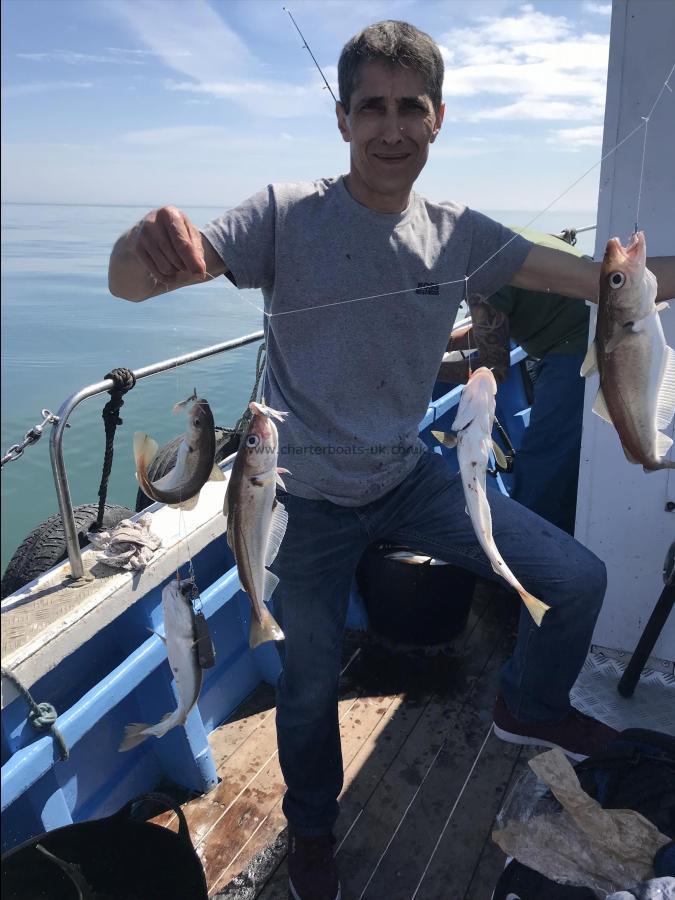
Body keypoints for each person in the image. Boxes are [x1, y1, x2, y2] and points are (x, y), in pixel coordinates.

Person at [108, 21, 675, 900]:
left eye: (410, 107)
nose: (391, 126)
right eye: (371, 106)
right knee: (303, 684)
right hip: (297, 500)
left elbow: (597, 282)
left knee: (579, 579)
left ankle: (528, 702)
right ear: (341, 119)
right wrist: (139, 247)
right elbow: (135, 284)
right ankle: (313, 828)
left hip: (412, 477)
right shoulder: (281, 213)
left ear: (438, 119)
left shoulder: (460, 235)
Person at [438, 227, 592, 534]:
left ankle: (533, 549)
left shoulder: (481, 274)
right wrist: (434, 343)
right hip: (586, 329)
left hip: (579, 348)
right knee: (562, 450)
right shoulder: (493, 242)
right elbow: (490, 324)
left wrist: (420, 366)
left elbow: (494, 368)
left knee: (543, 458)